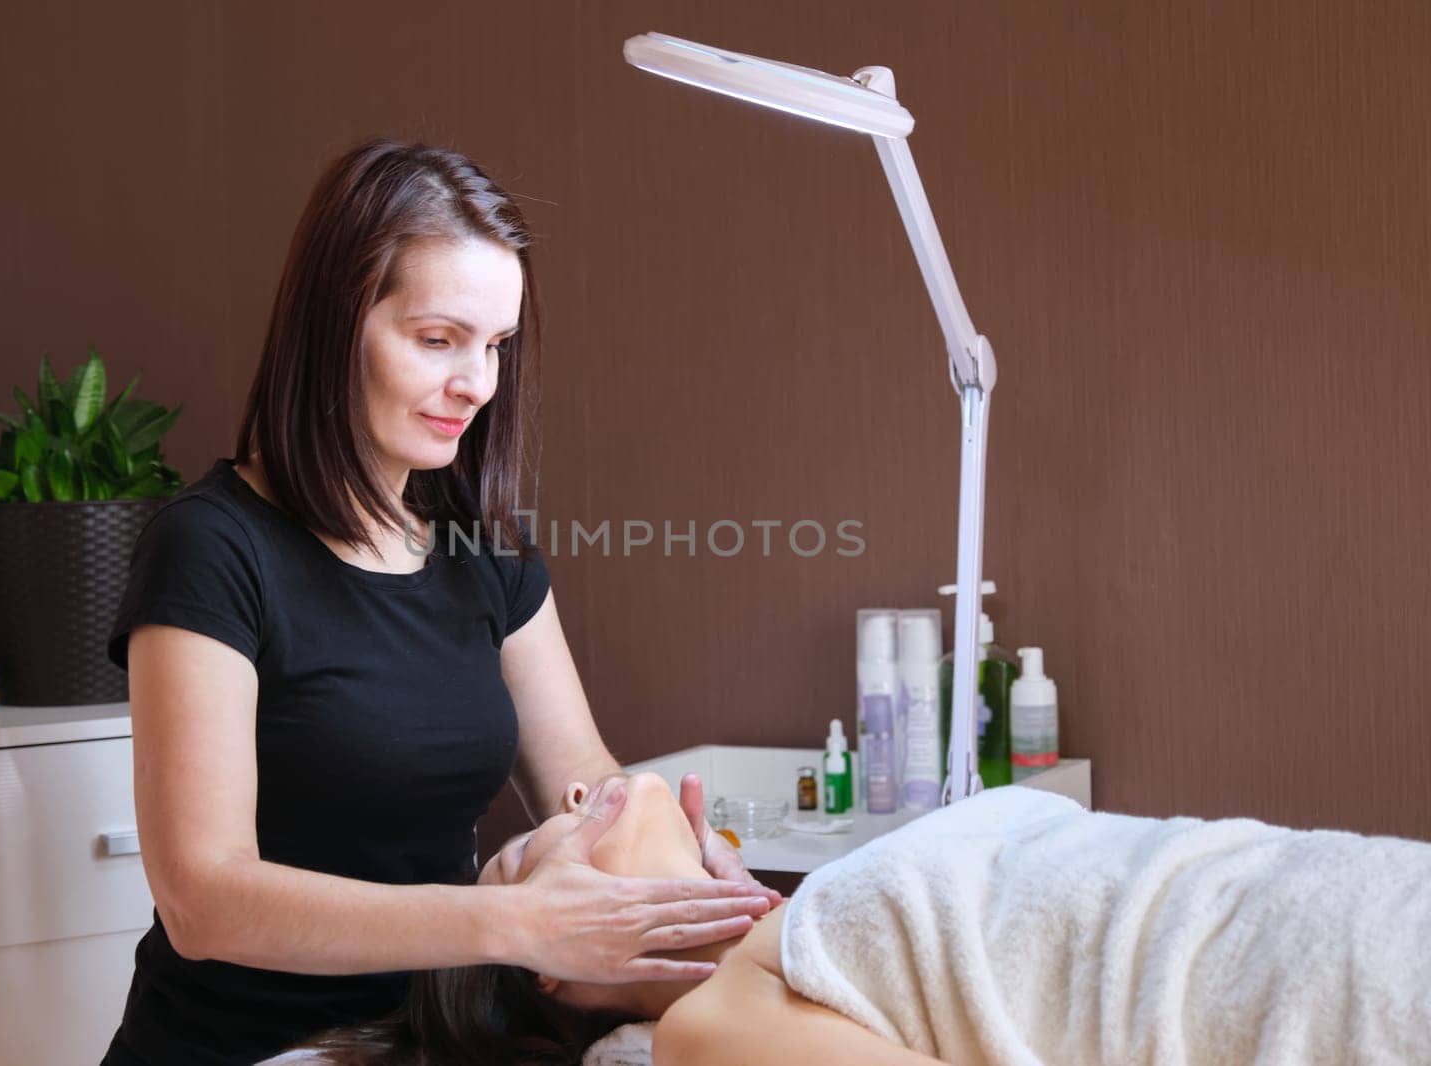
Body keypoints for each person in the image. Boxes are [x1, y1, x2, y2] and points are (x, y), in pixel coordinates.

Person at [99, 140, 780, 1066]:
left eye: (496, 345)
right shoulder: (212, 549)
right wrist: (507, 923)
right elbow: (204, 902)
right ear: (337, 327)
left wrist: (686, 878)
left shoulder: (482, 548)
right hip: (246, 1045)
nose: (478, 384)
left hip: (427, 1037)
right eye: (437, 339)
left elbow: (583, 779)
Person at [297, 772, 1431, 1066]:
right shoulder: (714, 1024)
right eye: (529, 847)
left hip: (1337, 894)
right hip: (1322, 990)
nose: (576, 795)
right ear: (551, 963)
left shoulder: (807, 917)